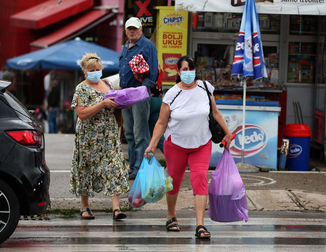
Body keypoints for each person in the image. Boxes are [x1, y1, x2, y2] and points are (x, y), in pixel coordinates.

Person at [144, 56, 231, 239]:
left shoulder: (206, 88)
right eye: (184, 69)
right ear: (178, 72)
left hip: (201, 144)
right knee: (174, 181)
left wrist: (227, 133)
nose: (188, 73)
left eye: (190, 69)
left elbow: (215, 112)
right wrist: (152, 146)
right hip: (176, 145)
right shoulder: (172, 94)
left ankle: (200, 224)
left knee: (200, 179)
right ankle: (171, 215)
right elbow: (161, 123)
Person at [70, 53, 129, 220]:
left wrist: (120, 125)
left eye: (98, 69)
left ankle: (116, 209)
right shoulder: (81, 88)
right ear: (84, 71)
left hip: (109, 134)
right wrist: (102, 103)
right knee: (86, 169)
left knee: (115, 167)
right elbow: (81, 113)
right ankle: (85, 206)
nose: (96, 72)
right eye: (92, 70)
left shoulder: (108, 84)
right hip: (88, 136)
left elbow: (116, 107)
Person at [119, 17, 159, 180]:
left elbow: (154, 72)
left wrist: (143, 89)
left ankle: (140, 168)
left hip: (139, 94)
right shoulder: (125, 46)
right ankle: (132, 167)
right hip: (126, 94)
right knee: (129, 134)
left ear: (141, 29)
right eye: (129, 29)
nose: (132, 31)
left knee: (140, 134)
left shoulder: (148, 45)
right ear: (126, 30)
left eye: (135, 28)